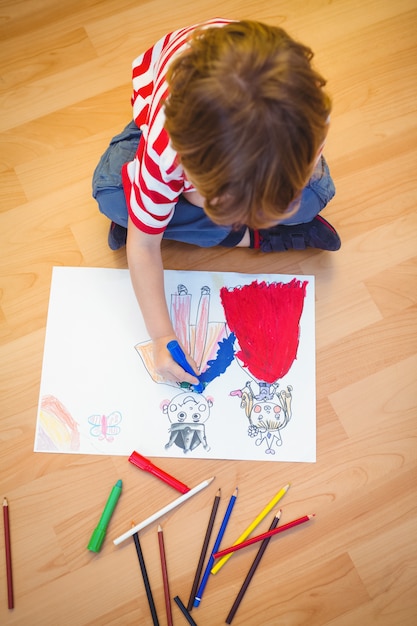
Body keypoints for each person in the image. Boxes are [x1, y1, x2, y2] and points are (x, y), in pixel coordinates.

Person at [92, 18, 340, 387]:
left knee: (315, 197)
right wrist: (162, 337)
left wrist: (277, 194)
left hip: (238, 147)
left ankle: (173, 220)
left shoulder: (311, 116)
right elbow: (143, 248)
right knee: (113, 197)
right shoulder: (167, 152)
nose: (244, 217)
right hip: (157, 121)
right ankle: (250, 236)